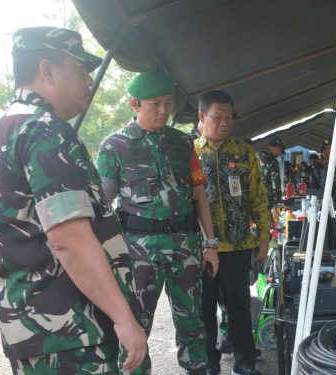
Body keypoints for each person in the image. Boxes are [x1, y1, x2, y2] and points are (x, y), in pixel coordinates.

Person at [0, 26, 147, 374]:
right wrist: (123, 319)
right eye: (80, 68)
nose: (89, 79)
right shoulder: (45, 130)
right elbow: (70, 239)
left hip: (38, 333)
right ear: (46, 70)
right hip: (75, 335)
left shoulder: (5, 131)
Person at [96, 70, 219, 375]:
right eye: (155, 104)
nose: (164, 111)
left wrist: (211, 245)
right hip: (138, 250)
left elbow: (199, 194)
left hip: (185, 246)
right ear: (134, 104)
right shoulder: (114, 146)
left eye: (168, 103)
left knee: (192, 321)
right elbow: (101, 205)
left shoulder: (183, 143)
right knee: (136, 326)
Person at [195, 90, 270, 375]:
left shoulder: (243, 152)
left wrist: (264, 236)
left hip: (238, 245)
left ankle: (244, 363)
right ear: (202, 117)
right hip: (203, 248)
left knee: (239, 307)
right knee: (204, 312)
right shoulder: (190, 152)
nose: (224, 123)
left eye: (229, 117)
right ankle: (209, 363)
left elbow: (258, 197)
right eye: (218, 117)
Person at [258, 138, 285, 208]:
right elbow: (276, 182)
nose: (279, 154)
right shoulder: (272, 162)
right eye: (280, 152)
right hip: (267, 196)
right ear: (278, 148)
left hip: (254, 194)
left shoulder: (256, 156)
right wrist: (278, 198)